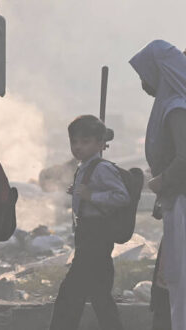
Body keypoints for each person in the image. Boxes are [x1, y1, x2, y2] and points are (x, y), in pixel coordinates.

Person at [130, 40, 186, 330]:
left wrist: (162, 181)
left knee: (184, 282)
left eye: (145, 74)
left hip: (185, 202)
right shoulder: (180, 103)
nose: (144, 83)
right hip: (181, 201)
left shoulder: (176, 107)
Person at [49, 115, 130, 330]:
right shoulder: (84, 166)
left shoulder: (102, 168)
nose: (78, 147)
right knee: (99, 294)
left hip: (97, 236)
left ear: (101, 144)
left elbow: (121, 197)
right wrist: (79, 193)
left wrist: (90, 195)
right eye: (74, 142)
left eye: (85, 142)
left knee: (71, 292)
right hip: (86, 234)